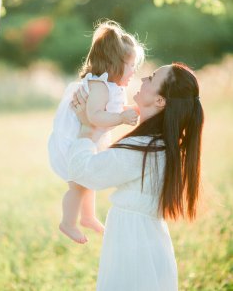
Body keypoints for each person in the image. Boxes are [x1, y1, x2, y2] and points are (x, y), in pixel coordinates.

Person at [67, 63, 204, 291]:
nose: (142, 80)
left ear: (161, 101)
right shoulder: (162, 145)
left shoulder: (142, 149)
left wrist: (85, 127)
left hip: (133, 247)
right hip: (146, 243)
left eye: (151, 78)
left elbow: (83, 172)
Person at [48, 20, 144, 244]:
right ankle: (68, 222)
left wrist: (133, 109)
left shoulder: (110, 86)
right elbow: (94, 116)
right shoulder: (100, 86)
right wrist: (121, 118)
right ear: (114, 64)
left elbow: (112, 110)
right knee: (77, 185)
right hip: (75, 141)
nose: (134, 71)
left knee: (86, 180)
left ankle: (88, 216)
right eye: (131, 65)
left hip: (89, 138)